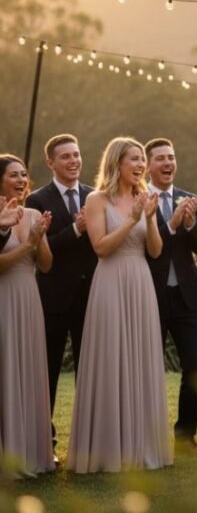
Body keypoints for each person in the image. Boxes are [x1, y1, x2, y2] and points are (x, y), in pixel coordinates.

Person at [68, 137, 171, 473]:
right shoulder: (97, 199)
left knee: (139, 356)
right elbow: (100, 247)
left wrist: (151, 218)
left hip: (140, 281)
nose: (141, 165)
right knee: (112, 356)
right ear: (117, 163)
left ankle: (141, 446)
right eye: (134, 159)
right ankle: (108, 448)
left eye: (142, 159)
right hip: (111, 282)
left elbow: (155, 251)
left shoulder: (144, 198)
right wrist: (131, 219)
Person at [25, 134, 98, 455]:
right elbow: (40, 250)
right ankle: (47, 443)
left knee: (92, 369)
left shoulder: (94, 196)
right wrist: (76, 230)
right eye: (65, 156)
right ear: (51, 162)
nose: (73, 161)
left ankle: (90, 442)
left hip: (91, 297)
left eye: (77, 154)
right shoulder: (37, 200)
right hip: (53, 297)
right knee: (48, 371)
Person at [145, 138, 197, 458]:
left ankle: (185, 437)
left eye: (171, 157)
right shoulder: (139, 199)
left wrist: (191, 222)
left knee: (196, 366)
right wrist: (170, 223)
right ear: (148, 165)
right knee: (147, 368)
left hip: (186, 298)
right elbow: (147, 248)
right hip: (149, 296)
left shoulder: (187, 198)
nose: (168, 163)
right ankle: (147, 436)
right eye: (161, 159)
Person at [0, 155, 54, 476]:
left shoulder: (32, 213)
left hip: (29, 300)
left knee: (27, 368)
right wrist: (27, 244)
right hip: (4, 298)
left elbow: (46, 265)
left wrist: (40, 237)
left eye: (24, 175)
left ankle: (31, 453)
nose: (21, 180)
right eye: (13, 175)